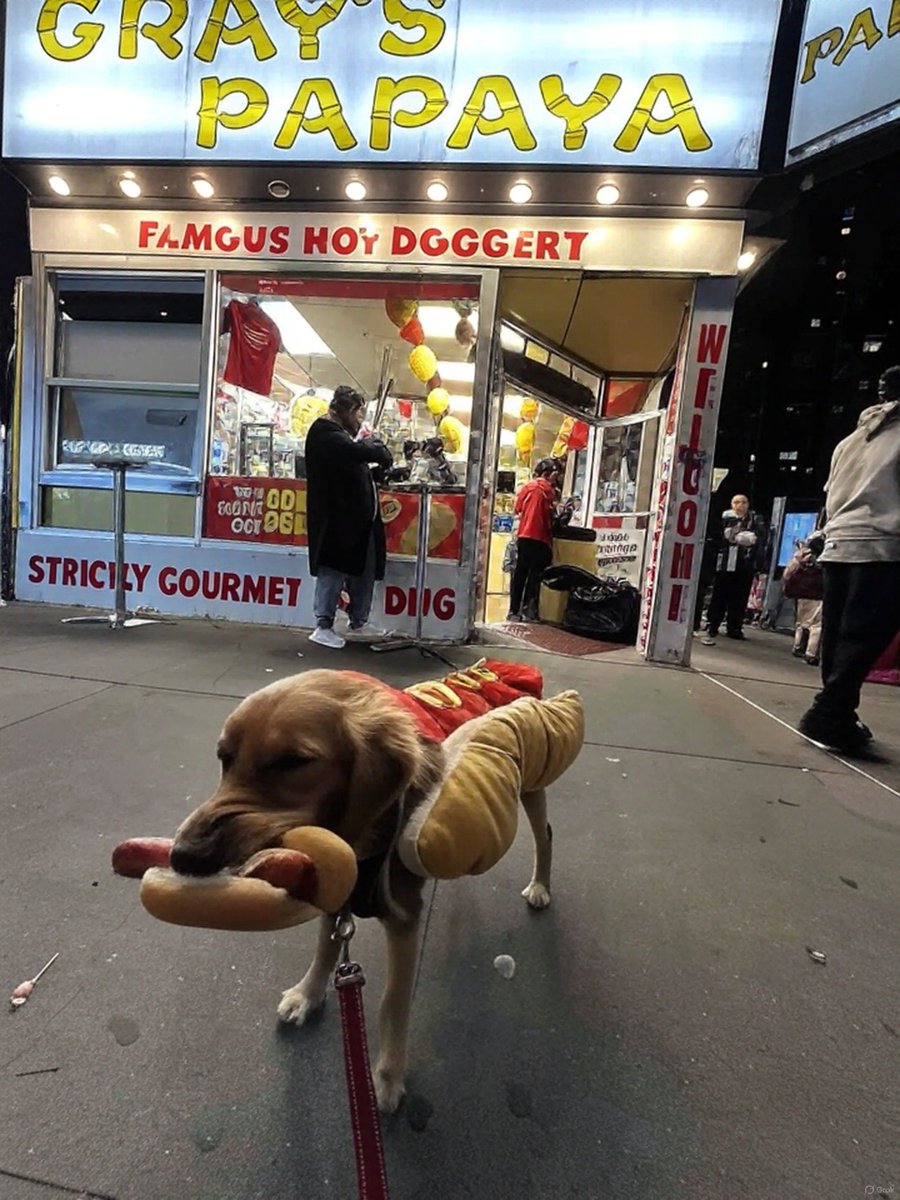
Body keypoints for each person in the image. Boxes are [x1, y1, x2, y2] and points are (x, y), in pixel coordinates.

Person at [799, 366, 900, 751]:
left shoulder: (851, 441)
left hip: (839, 544)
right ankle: (828, 714)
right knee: (863, 638)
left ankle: (839, 712)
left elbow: (831, 496)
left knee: (838, 634)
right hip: (883, 545)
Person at [305, 385, 393, 650]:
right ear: (347, 411)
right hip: (335, 520)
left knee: (364, 570)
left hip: (357, 521)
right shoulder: (325, 434)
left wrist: (372, 473)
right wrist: (376, 447)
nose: (359, 420)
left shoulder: (340, 437)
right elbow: (359, 452)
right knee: (332, 571)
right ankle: (323, 625)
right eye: (358, 414)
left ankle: (359, 621)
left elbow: (353, 464)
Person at [701, 495, 768, 644]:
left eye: (743, 502)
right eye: (736, 502)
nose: (740, 505)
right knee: (720, 594)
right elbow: (717, 537)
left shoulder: (755, 520)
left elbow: (761, 539)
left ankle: (734, 627)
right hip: (726, 562)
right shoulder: (726, 518)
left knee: (740, 597)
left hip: (745, 563)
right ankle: (713, 623)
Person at [508, 458, 559, 622]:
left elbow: (518, 509)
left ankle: (513, 611)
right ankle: (529, 611)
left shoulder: (527, 487)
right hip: (541, 537)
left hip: (524, 535)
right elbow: (553, 515)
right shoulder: (549, 491)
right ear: (548, 474)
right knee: (535, 576)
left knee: (520, 573)